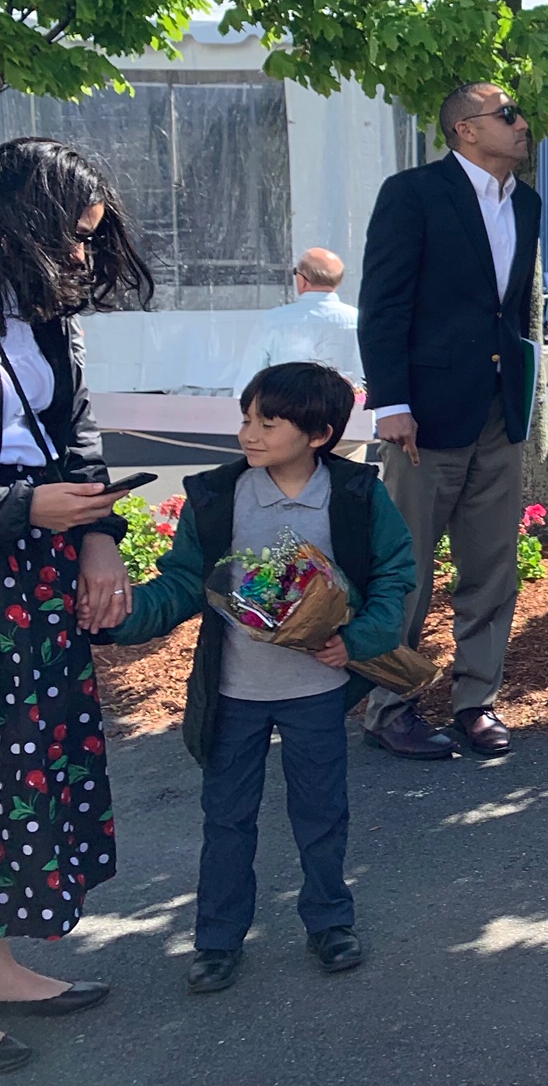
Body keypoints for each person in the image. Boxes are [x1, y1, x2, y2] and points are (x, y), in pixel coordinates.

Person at [106, 363, 414, 993]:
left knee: (322, 813)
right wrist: (120, 618)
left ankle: (330, 922)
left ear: (319, 434)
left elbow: (395, 574)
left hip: (317, 694)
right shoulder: (218, 495)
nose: (248, 433)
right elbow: (183, 582)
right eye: (246, 419)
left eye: (266, 423)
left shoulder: (356, 495)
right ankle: (217, 939)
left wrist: (355, 640)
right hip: (234, 693)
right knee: (225, 818)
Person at [0, 138, 149, 1074]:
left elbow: (76, 426)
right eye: (73, 237)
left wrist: (96, 535)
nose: (85, 257)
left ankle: (3, 964)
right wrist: (21, 508)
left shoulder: (44, 312)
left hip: (37, 569)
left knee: (21, 774)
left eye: (93, 239)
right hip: (16, 538)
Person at [357, 83, 540, 761]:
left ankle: (476, 700)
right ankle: (388, 704)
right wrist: (391, 403)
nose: (523, 125)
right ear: (466, 129)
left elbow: (509, 312)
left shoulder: (527, 202)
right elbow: (383, 302)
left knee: (492, 565)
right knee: (403, 568)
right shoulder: (413, 194)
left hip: (497, 411)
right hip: (423, 417)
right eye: (508, 114)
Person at [235, 248, 365, 394]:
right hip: (348, 410)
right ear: (339, 281)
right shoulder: (359, 320)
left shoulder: (272, 321)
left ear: (302, 280)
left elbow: (249, 380)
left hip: (288, 409)